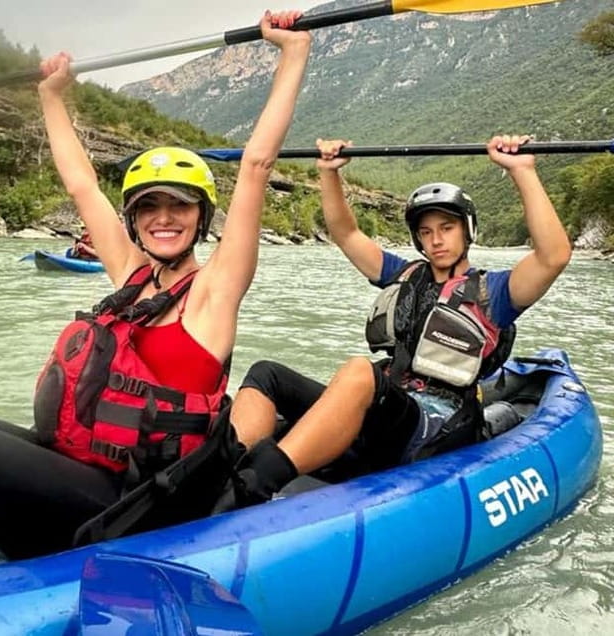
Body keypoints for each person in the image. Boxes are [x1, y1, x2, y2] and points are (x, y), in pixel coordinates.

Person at [0, 10, 311, 569]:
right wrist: (53, 96)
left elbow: (257, 165)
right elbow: (80, 184)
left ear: (202, 217)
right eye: (148, 206)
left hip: (135, 506)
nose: (163, 218)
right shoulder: (132, 278)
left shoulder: (213, 295)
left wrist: (291, 55)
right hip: (78, 470)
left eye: (179, 205)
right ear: (132, 218)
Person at [219, 133, 573, 508]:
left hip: (435, 424)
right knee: (266, 373)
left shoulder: (495, 293)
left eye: (446, 228)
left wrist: (522, 170)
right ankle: (222, 465)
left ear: (467, 230)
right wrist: (329, 173)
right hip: (387, 409)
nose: (435, 239)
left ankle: (256, 482)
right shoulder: (403, 274)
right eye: (425, 231)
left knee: (359, 372)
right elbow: (346, 232)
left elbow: (554, 256)